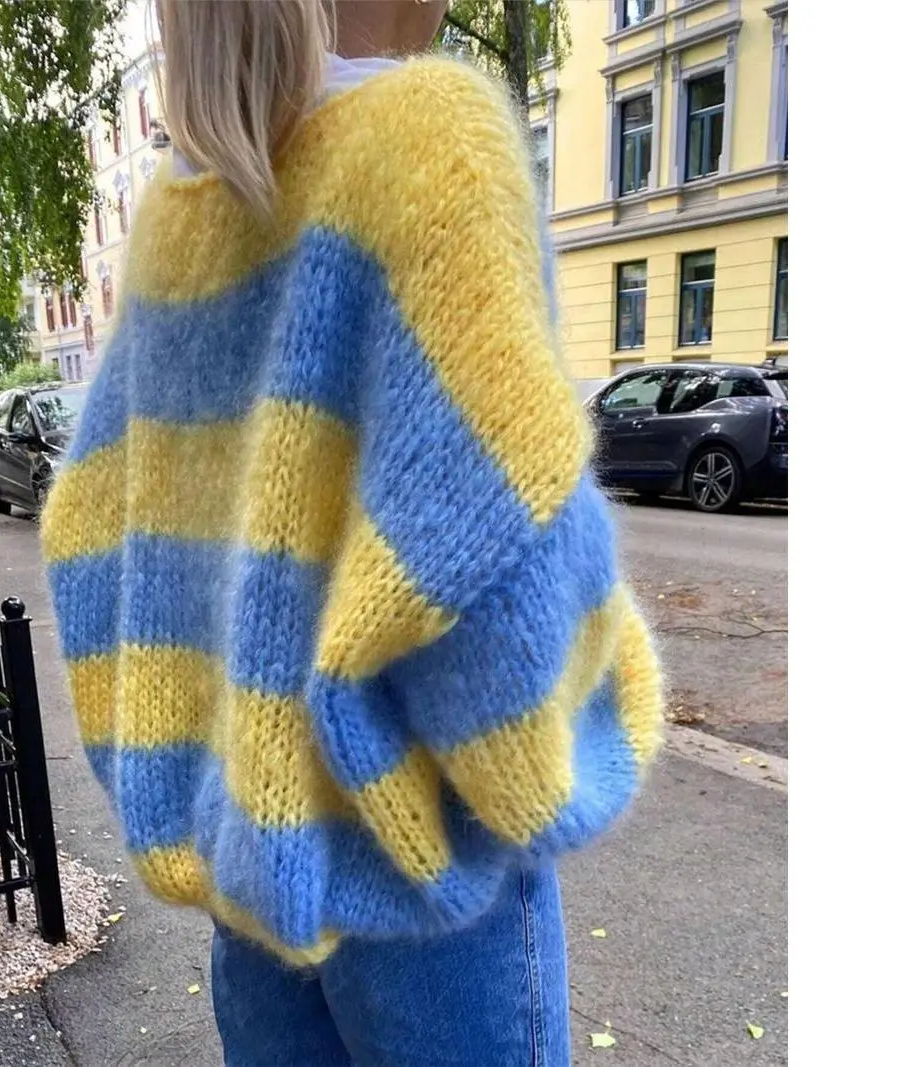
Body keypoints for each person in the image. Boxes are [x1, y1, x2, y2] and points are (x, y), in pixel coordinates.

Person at [41, 1, 665, 1063]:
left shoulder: (182, 207)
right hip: (428, 895)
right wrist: (584, 733)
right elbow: (497, 573)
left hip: (256, 885)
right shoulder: (428, 139)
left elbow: (88, 536)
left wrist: (190, 785)